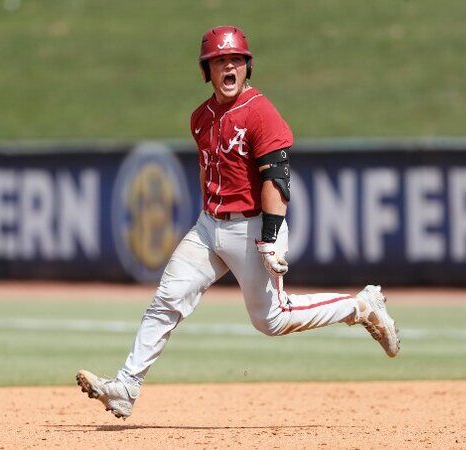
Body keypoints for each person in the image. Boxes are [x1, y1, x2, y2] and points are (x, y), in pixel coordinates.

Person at [76, 25, 400, 419]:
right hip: (210, 225)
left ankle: (361, 305)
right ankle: (127, 386)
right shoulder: (201, 117)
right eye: (219, 61)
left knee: (271, 320)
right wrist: (207, 218)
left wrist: (270, 236)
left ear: (247, 66)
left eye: (235, 60)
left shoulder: (260, 111)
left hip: (254, 227)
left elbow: (276, 178)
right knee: (166, 300)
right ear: (207, 70)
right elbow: (206, 170)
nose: (228, 67)